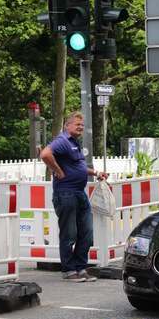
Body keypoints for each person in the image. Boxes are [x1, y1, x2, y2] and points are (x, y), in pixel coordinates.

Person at [40, 111, 108, 282]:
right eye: (77, 124)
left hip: (79, 192)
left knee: (86, 232)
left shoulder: (75, 143)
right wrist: (57, 170)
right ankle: (69, 270)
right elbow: (45, 154)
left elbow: (77, 166)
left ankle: (81, 267)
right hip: (66, 193)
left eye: (82, 125)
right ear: (67, 125)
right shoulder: (62, 141)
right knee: (69, 233)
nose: (80, 127)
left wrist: (96, 172)